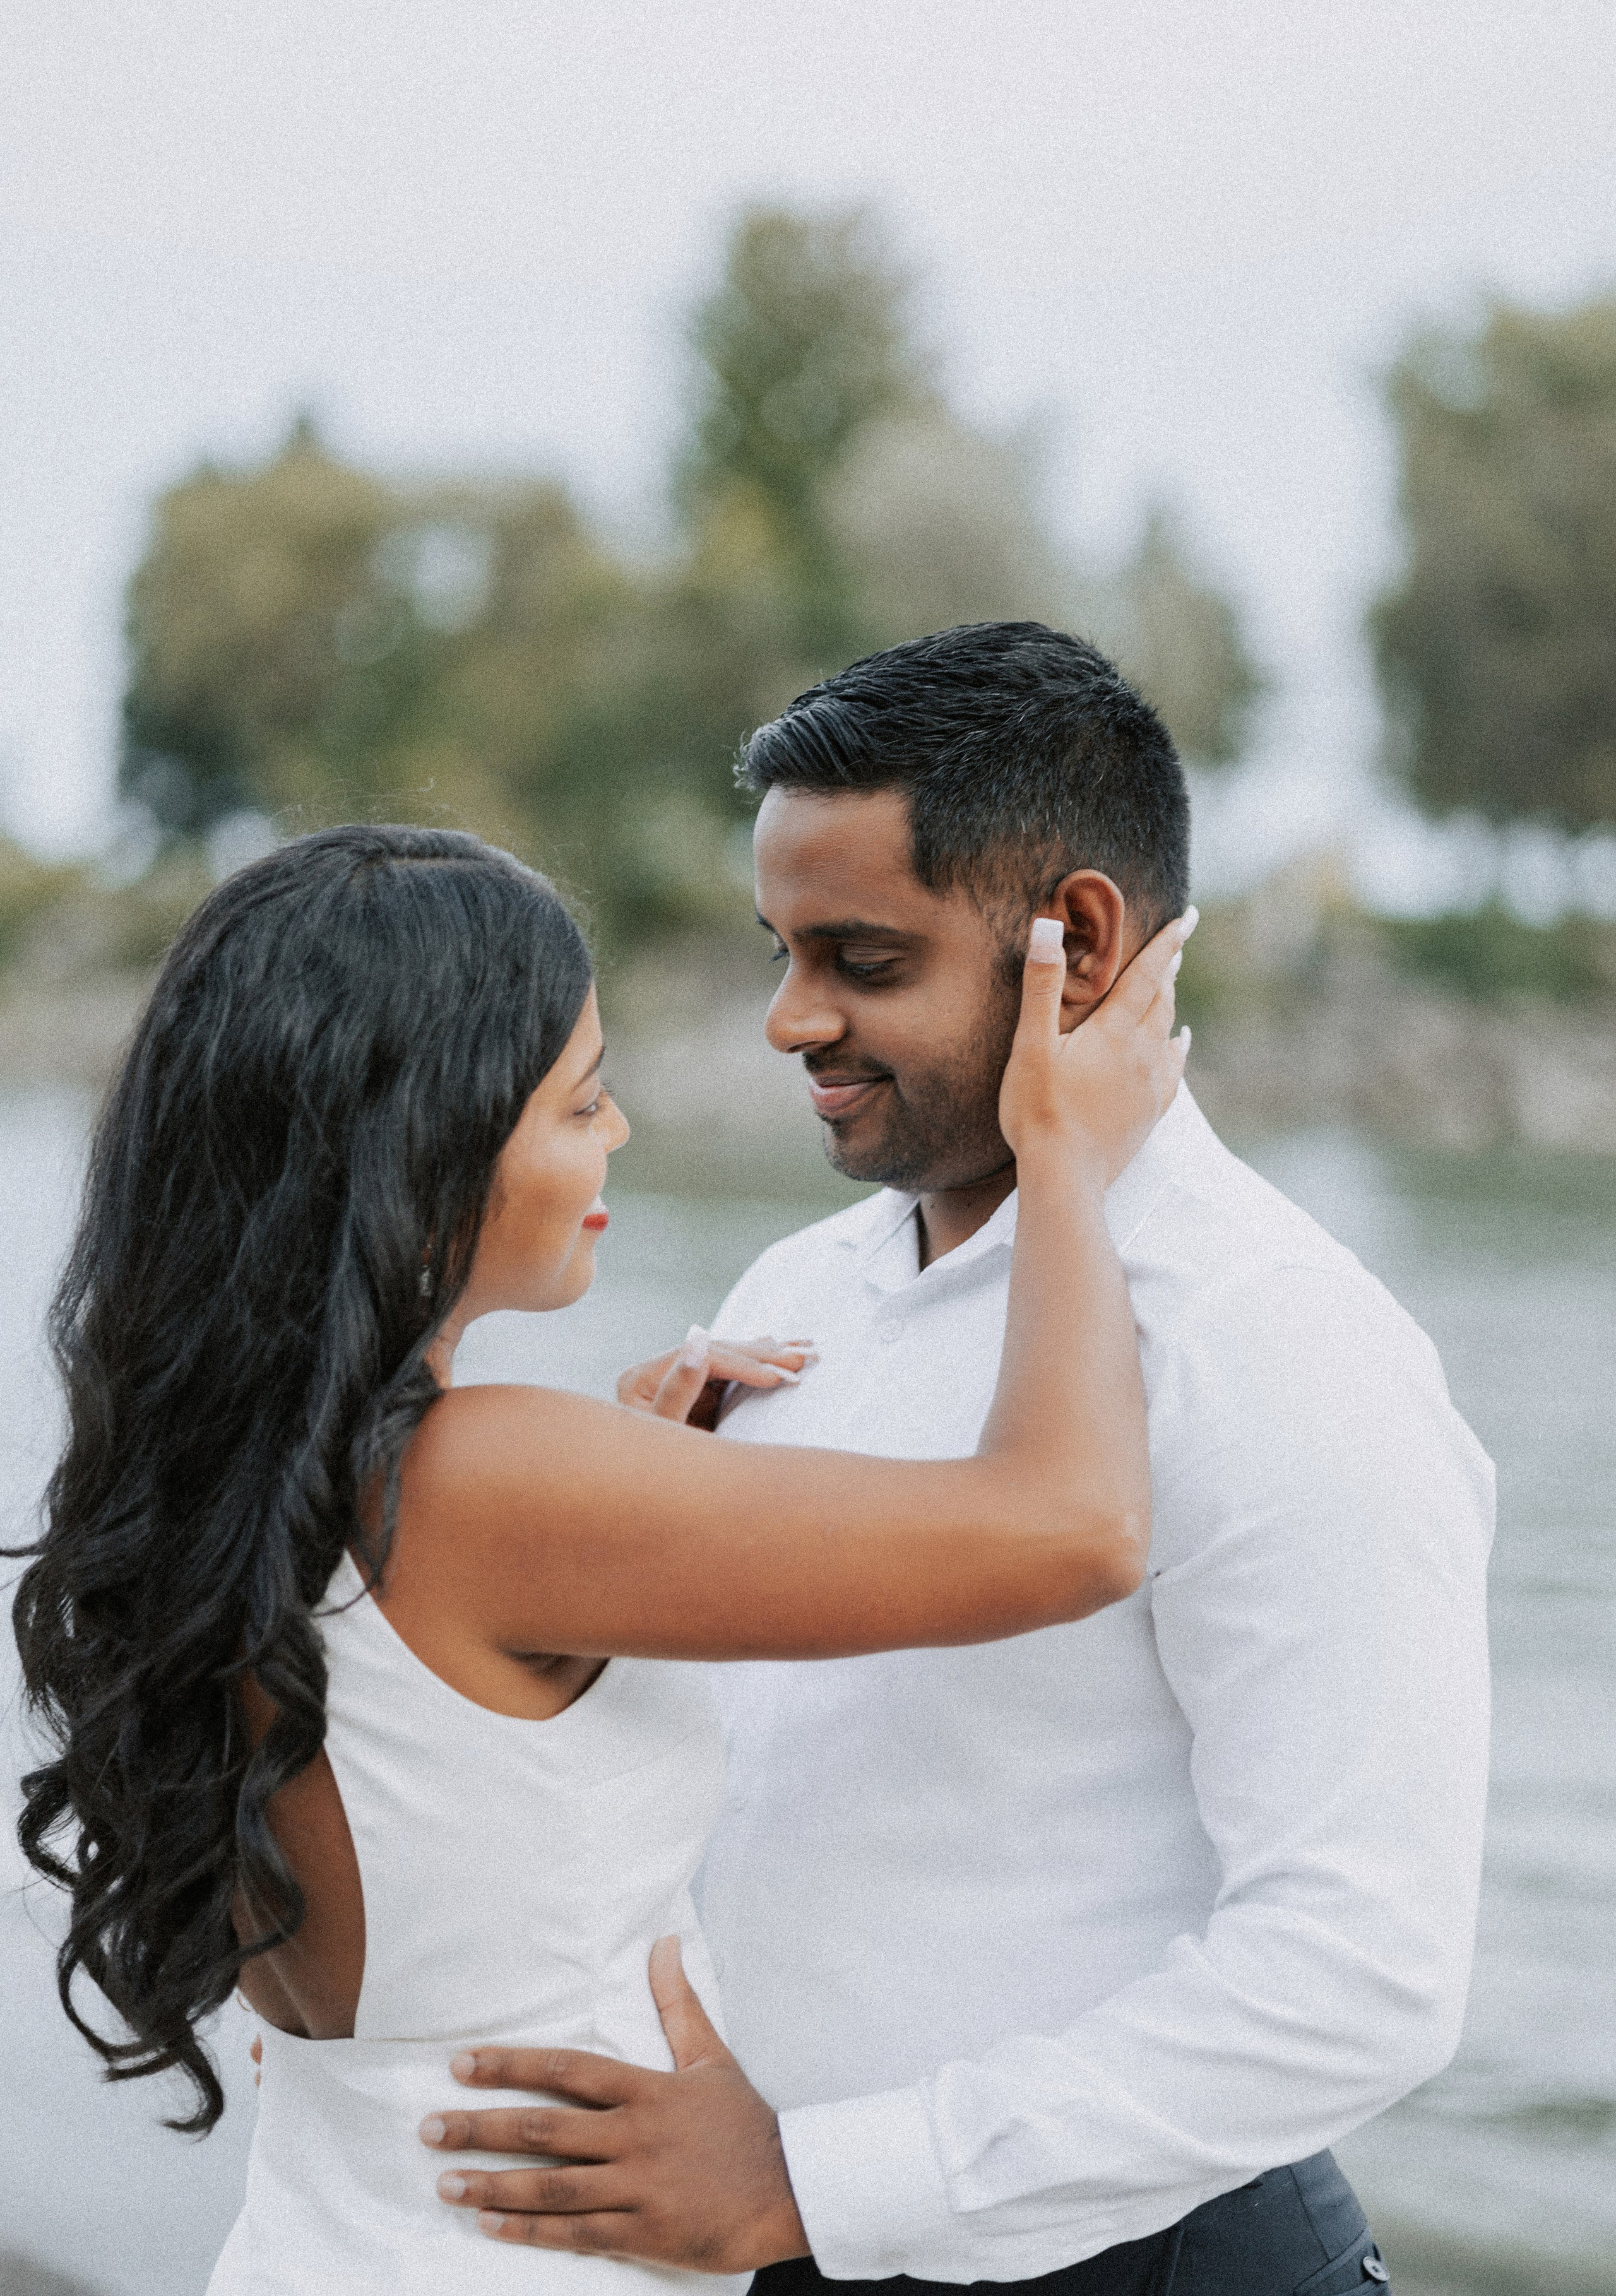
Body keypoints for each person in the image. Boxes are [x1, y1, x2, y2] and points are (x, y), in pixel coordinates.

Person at [429, 626, 1493, 2295]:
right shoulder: (790, 1301)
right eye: (780, 948)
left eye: (859, 958)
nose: (790, 1020)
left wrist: (817, 2183)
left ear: (1076, 942)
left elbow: (1362, 1972)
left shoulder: (1285, 1347)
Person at [10, 820, 1189, 2296]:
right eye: (582, 1102)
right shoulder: (491, 1478)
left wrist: (634, 1488)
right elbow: (1071, 1529)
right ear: (429, 1150)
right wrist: (1064, 1160)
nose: (617, 1134)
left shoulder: (230, 1492)